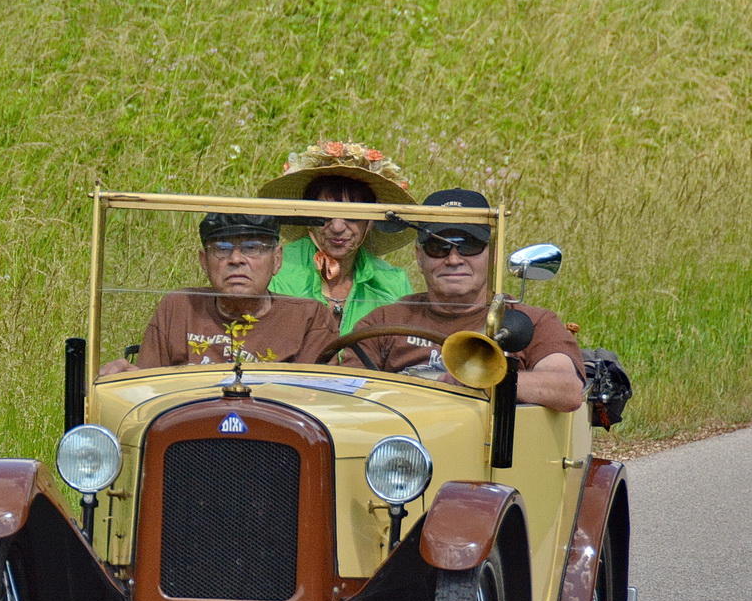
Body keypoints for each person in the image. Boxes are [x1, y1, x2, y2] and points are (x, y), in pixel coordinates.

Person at [349, 189, 585, 412]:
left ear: (492, 256)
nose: (453, 260)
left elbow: (567, 388)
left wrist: (484, 380)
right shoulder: (383, 321)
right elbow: (345, 392)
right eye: (438, 247)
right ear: (419, 257)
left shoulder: (529, 322)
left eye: (468, 246)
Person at [100, 214, 336, 375]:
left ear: (277, 260)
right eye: (222, 249)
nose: (236, 259)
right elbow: (147, 391)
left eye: (252, 248)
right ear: (204, 261)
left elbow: (316, 403)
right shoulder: (179, 307)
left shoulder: (309, 317)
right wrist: (124, 380)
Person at [257, 141, 415, 335]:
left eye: (353, 216)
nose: (338, 227)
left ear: (370, 222)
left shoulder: (393, 283)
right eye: (325, 214)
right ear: (307, 218)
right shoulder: (273, 269)